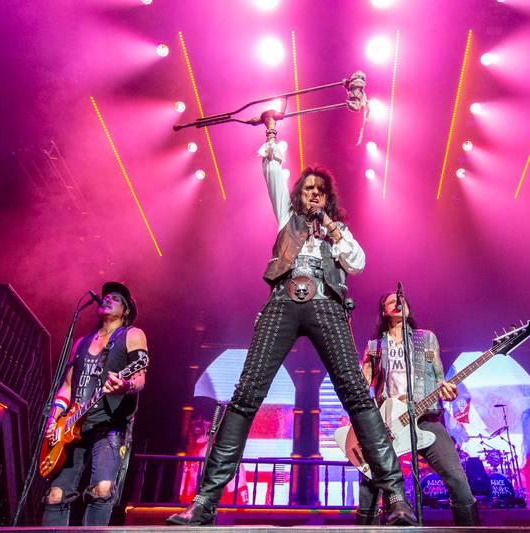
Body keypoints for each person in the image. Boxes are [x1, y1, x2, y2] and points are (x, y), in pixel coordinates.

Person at [167, 114, 417, 526]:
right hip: (283, 302)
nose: (313, 194)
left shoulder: (339, 232)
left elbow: (358, 263)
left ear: (327, 198)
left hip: (326, 305)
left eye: (320, 190)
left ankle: (396, 498)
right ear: (298, 194)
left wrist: (333, 230)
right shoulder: (287, 217)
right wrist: (270, 131)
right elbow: (272, 169)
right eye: (307, 188)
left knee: (356, 394)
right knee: (246, 395)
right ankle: (205, 502)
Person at [357, 292, 479, 526]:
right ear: (384, 311)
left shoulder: (426, 338)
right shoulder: (375, 346)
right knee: (369, 488)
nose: (398, 302)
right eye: (392, 301)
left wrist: (448, 391)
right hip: (390, 423)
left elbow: (439, 377)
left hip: (426, 417)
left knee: (456, 478)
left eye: (401, 300)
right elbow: (364, 386)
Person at [41, 281, 148, 526]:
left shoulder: (132, 335)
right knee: (55, 496)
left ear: (126, 310)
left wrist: (126, 385)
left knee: (102, 489)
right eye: (106, 296)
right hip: (71, 427)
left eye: (116, 298)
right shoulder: (80, 342)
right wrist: (54, 417)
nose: (107, 299)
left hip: (109, 423)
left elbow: (140, 376)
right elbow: (67, 386)